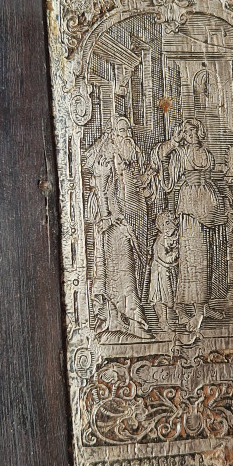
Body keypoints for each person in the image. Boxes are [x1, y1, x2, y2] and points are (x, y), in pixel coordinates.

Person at [151, 119, 228, 331]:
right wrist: (174, 142)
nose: (190, 134)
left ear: (199, 131)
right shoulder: (181, 153)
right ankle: (191, 309)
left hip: (209, 206)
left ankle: (204, 304)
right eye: (186, 131)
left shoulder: (207, 154)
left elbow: (212, 175)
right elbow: (159, 157)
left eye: (193, 130)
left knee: (210, 256)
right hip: (190, 207)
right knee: (194, 256)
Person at [85, 117, 149, 335]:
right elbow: (103, 190)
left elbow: (134, 186)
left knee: (127, 270)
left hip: (130, 218)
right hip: (113, 223)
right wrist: (110, 217)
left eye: (128, 130)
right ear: (114, 134)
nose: (127, 134)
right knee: (120, 270)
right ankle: (131, 319)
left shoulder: (130, 154)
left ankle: (123, 319)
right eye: (122, 131)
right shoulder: (107, 158)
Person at [148, 212, 180, 331]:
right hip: (159, 273)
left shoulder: (168, 238)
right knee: (160, 297)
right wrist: (176, 254)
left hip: (165, 272)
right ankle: (162, 321)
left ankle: (167, 320)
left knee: (166, 298)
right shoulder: (161, 240)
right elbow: (164, 258)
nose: (171, 226)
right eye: (167, 223)